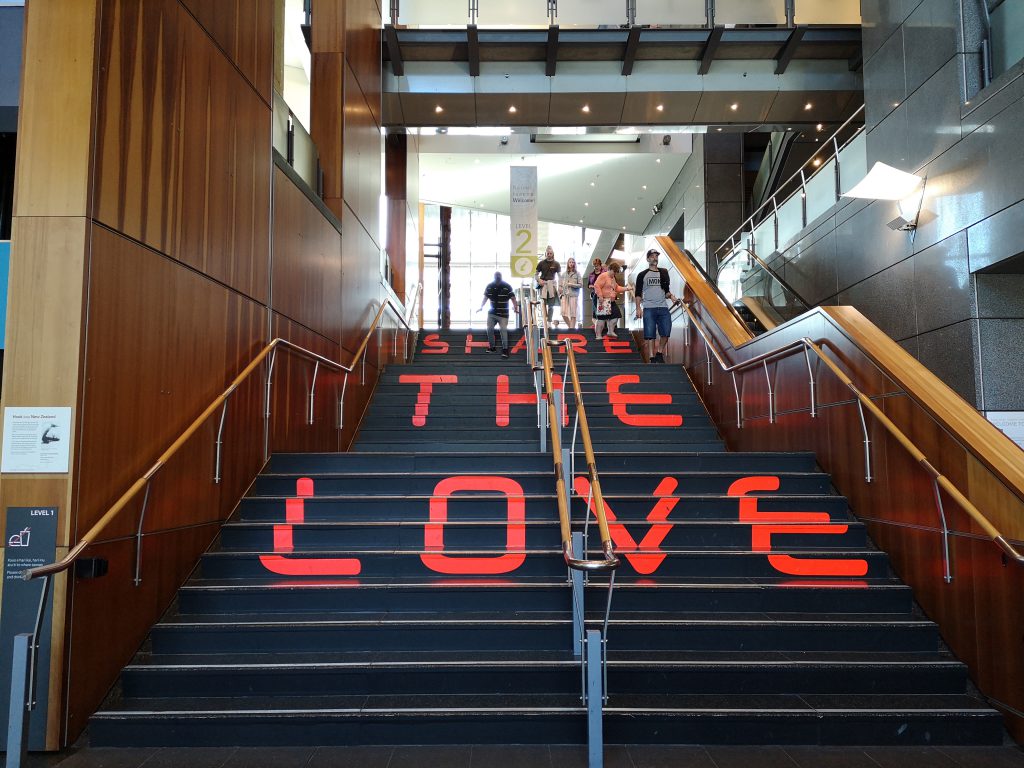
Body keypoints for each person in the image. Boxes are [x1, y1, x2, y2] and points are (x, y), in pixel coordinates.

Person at [634, 248, 681, 364]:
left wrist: (672, 297)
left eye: (656, 256)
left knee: (666, 331)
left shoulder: (664, 272)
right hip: (649, 307)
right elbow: (638, 293)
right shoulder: (642, 275)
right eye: (652, 256)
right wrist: (638, 308)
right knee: (650, 333)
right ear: (648, 259)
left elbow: (666, 291)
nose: (655, 258)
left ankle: (659, 352)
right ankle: (651, 356)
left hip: (663, 307)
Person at [478, 271, 520, 358]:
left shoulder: (507, 286)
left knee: (503, 330)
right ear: (494, 277)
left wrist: (515, 307)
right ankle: (492, 347)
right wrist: (481, 306)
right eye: (496, 276)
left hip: (503, 314)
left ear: (501, 277)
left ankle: (505, 350)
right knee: (489, 329)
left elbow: (513, 298)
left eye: (498, 276)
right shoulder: (489, 286)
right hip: (492, 313)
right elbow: (485, 297)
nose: (497, 277)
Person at [593, 261, 631, 339]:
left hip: (611, 300)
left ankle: (610, 331)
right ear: (609, 269)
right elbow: (596, 285)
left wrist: (627, 288)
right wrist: (600, 296)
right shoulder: (603, 276)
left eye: (616, 272)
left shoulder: (613, 278)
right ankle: (598, 335)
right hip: (602, 299)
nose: (614, 274)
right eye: (614, 272)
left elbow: (616, 288)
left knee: (616, 315)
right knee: (602, 318)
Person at [536, 245, 561, 324]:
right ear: (545, 254)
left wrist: (560, 286)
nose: (549, 255)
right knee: (543, 304)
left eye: (550, 253)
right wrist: (539, 280)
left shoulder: (556, 264)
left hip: (552, 285)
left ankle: (549, 321)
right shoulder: (541, 263)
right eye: (548, 253)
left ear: (553, 254)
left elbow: (560, 276)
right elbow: (535, 275)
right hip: (543, 285)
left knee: (551, 305)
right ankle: (544, 319)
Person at [559, 257, 583, 329]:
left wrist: (571, 284)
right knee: (563, 313)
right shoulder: (564, 274)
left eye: (573, 262)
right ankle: (571, 328)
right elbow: (560, 285)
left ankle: (571, 330)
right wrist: (560, 289)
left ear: (575, 264)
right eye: (570, 262)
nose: (571, 264)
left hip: (574, 295)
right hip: (565, 295)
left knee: (573, 313)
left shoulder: (577, 274)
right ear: (568, 263)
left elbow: (581, 285)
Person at [587, 258, 605, 328]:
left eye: (597, 266)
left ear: (600, 265)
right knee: (595, 309)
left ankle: (602, 325)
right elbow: (588, 285)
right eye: (594, 266)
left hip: (603, 294)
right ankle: (596, 324)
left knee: (603, 310)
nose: (596, 267)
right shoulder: (591, 274)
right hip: (594, 294)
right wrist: (591, 286)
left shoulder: (604, 273)